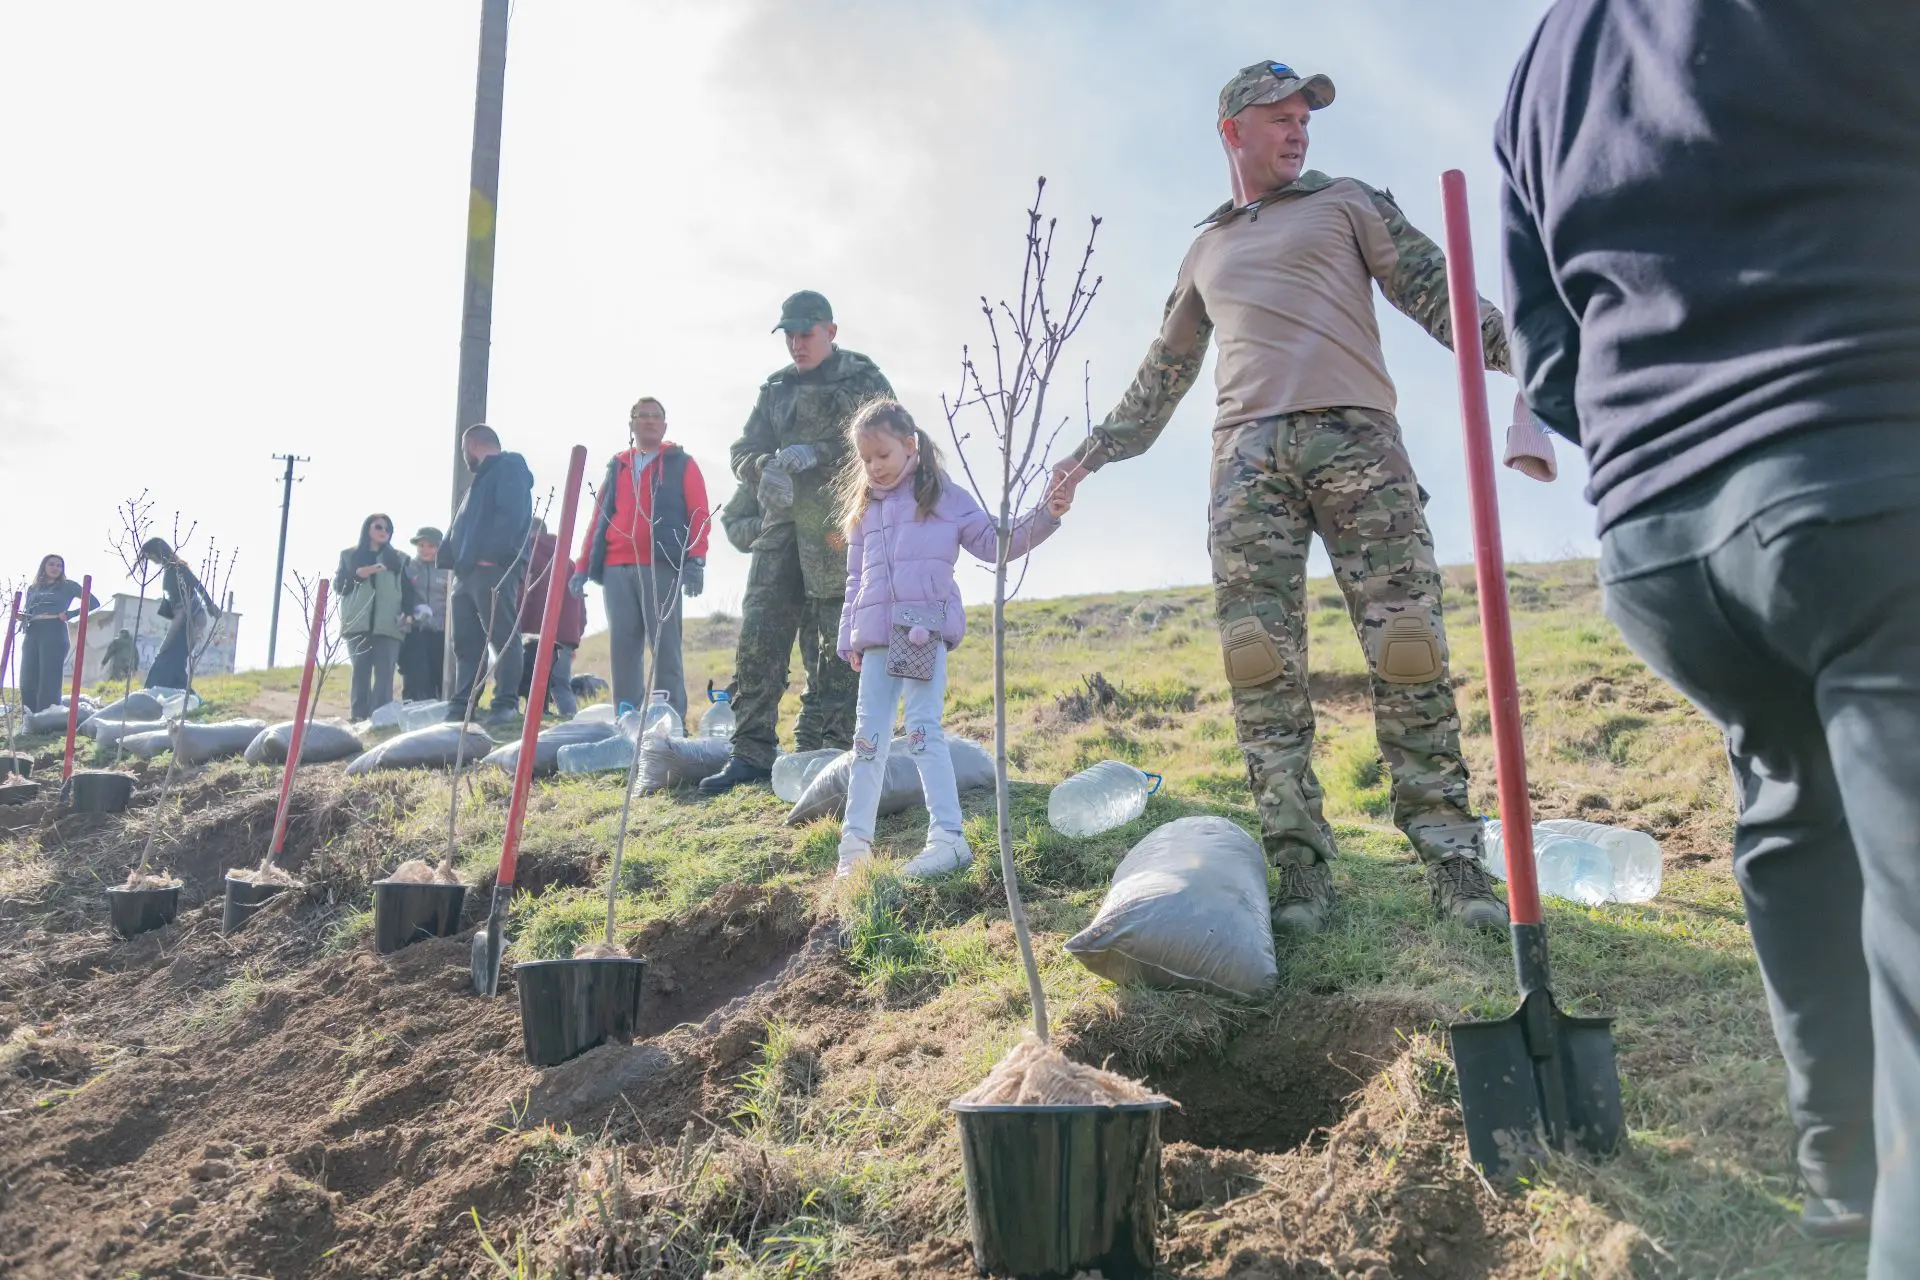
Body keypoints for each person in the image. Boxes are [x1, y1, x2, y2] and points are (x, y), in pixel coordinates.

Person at [1497, 3, 1920, 1265]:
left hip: (1663, 542)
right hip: (1861, 462)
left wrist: (1663, 440)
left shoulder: (1545, 58)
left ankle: (1845, 1184)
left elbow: (1544, 347)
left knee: (1798, 815)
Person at [1048, 61, 1516, 933]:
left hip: (1358, 445)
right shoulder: (1206, 248)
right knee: (1259, 665)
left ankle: (1453, 861)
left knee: (1408, 649)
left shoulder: (1348, 203)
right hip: (1246, 466)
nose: (1299, 131)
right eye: (1280, 117)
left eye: (1305, 118)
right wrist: (1092, 453)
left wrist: (1524, 349)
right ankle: (1299, 869)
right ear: (1232, 131)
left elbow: (1437, 295)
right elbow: (1163, 375)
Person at [833, 400, 1068, 878]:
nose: (875, 467)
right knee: (868, 741)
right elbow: (855, 579)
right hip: (876, 636)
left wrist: (1046, 514)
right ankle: (854, 851)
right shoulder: (863, 510)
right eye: (867, 459)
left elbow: (997, 543)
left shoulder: (944, 498)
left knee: (921, 730)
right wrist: (849, 636)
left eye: (884, 455)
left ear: (910, 445)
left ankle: (948, 838)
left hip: (919, 628)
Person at [701, 290, 894, 794]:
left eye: (805, 333)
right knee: (760, 636)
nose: (796, 344)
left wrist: (823, 452)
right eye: (789, 335)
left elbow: (891, 438)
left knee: (837, 646)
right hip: (782, 528)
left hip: (837, 528)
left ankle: (834, 756)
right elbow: (744, 448)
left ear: (830, 330)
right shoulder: (777, 389)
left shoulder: (863, 379)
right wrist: (763, 467)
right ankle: (751, 752)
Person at [570, 397, 710, 721]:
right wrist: (582, 566)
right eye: (641, 416)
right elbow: (599, 517)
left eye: (655, 416)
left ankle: (668, 720)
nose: (648, 421)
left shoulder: (680, 463)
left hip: (660, 564)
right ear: (631, 424)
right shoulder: (617, 465)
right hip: (616, 567)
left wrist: (696, 559)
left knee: (665, 647)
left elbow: (700, 513)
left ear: (664, 425)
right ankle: (627, 720)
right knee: (623, 647)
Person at [719, 481, 832, 750]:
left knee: (824, 664)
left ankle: (813, 742)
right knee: (759, 661)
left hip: (826, 580)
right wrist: (771, 527)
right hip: (774, 581)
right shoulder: (766, 470)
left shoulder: (829, 464)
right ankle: (754, 747)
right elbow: (733, 521)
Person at [441, 423, 535, 729]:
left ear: (471, 445)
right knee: (466, 643)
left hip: (491, 569)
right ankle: (462, 706)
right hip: (466, 574)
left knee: (504, 637)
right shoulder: (479, 481)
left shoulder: (510, 468)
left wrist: (490, 557)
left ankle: (505, 705)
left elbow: (512, 516)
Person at [333, 513, 417, 722]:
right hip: (357, 623)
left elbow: (408, 591)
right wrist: (358, 574)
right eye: (378, 527)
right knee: (360, 670)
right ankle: (358, 715)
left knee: (384, 674)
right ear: (367, 529)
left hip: (389, 623)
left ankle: (380, 718)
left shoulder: (399, 558)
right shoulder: (349, 556)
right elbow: (339, 587)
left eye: (388, 528)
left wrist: (407, 614)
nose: (383, 532)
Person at [518, 517, 586, 719]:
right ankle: (574, 725)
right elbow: (581, 608)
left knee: (527, 683)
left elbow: (524, 597)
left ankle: (527, 726)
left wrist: (515, 628)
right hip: (565, 636)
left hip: (533, 634)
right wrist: (575, 639)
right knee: (561, 686)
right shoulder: (569, 562)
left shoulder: (528, 557)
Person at [19, 555, 98, 712]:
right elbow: (29, 611)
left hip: (54, 631)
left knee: (49, 678)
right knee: (28, 677)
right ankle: (28, 717)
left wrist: (70, 614)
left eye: (59, 565)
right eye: (51, 564)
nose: (55, 568)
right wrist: (22, 616)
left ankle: (47, 718)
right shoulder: (33, 588)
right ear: (44, 566)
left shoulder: (68, 586)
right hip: (33, 632)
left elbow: (94, 602)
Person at [137, 538, 217, 691]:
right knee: (174, 659)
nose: (151, 560)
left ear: (158, 552)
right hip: (187, 616)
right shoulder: (171, 569)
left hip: (189, 617)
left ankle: (159, 691)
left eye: (151, 555)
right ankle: (178, 693)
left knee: (168, 657)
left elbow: (196, 587)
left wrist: (209, 605)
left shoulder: (177, 569)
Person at [401, 526, 451, 701]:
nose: (425, 550)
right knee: (415, 671)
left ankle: (439, 706)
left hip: (441, 630)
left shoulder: (448, 570)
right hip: (415, 629)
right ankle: (412, 704)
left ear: (439, 547)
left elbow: (450, 599)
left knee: (439, 670)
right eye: (421, 545)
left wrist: (442, 622)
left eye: (430, 546)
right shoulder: (408, 567)